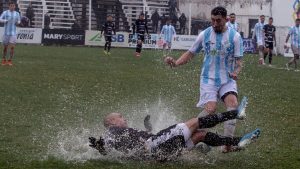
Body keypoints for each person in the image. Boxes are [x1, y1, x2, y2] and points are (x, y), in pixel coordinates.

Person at [164, 6, 244, 153]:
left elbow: (239, 62)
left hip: (227, 79)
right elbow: (190, 53)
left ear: (226, 19)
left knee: (233, 105)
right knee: (211, 109)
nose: (214, 24)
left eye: (218, 21)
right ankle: (190, 133)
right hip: (208, 79)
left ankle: (227, 144)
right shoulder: (205, 35)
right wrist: (175, 63)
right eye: (212, 20)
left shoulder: (235, 37)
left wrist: (236, 71)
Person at [89, 97, 261, 160]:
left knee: (200, 135)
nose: (123, 118)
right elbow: (109, 143)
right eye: (120, 117)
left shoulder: (120, 133)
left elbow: (125, 145)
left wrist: (147, 127)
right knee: (195, 122)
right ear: (111, 122)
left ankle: (239, 141)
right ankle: (235, 114)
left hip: (159, 151)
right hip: (155, 147)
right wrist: (101, 146)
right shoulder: (112, 131)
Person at [0, 1, 20, 66]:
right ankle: (4, 60)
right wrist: (5, 21)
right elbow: (0, 19)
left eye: (13, 6)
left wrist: (18, 23)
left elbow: (19, 21)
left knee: (12, 47)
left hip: (13, 33)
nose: (12, 7)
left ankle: (9, 61)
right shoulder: (5, 12)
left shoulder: (17, 13)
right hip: (6, 33)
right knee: (5, 48)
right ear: (9, 6)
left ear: (15, 6)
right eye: (11, 6)